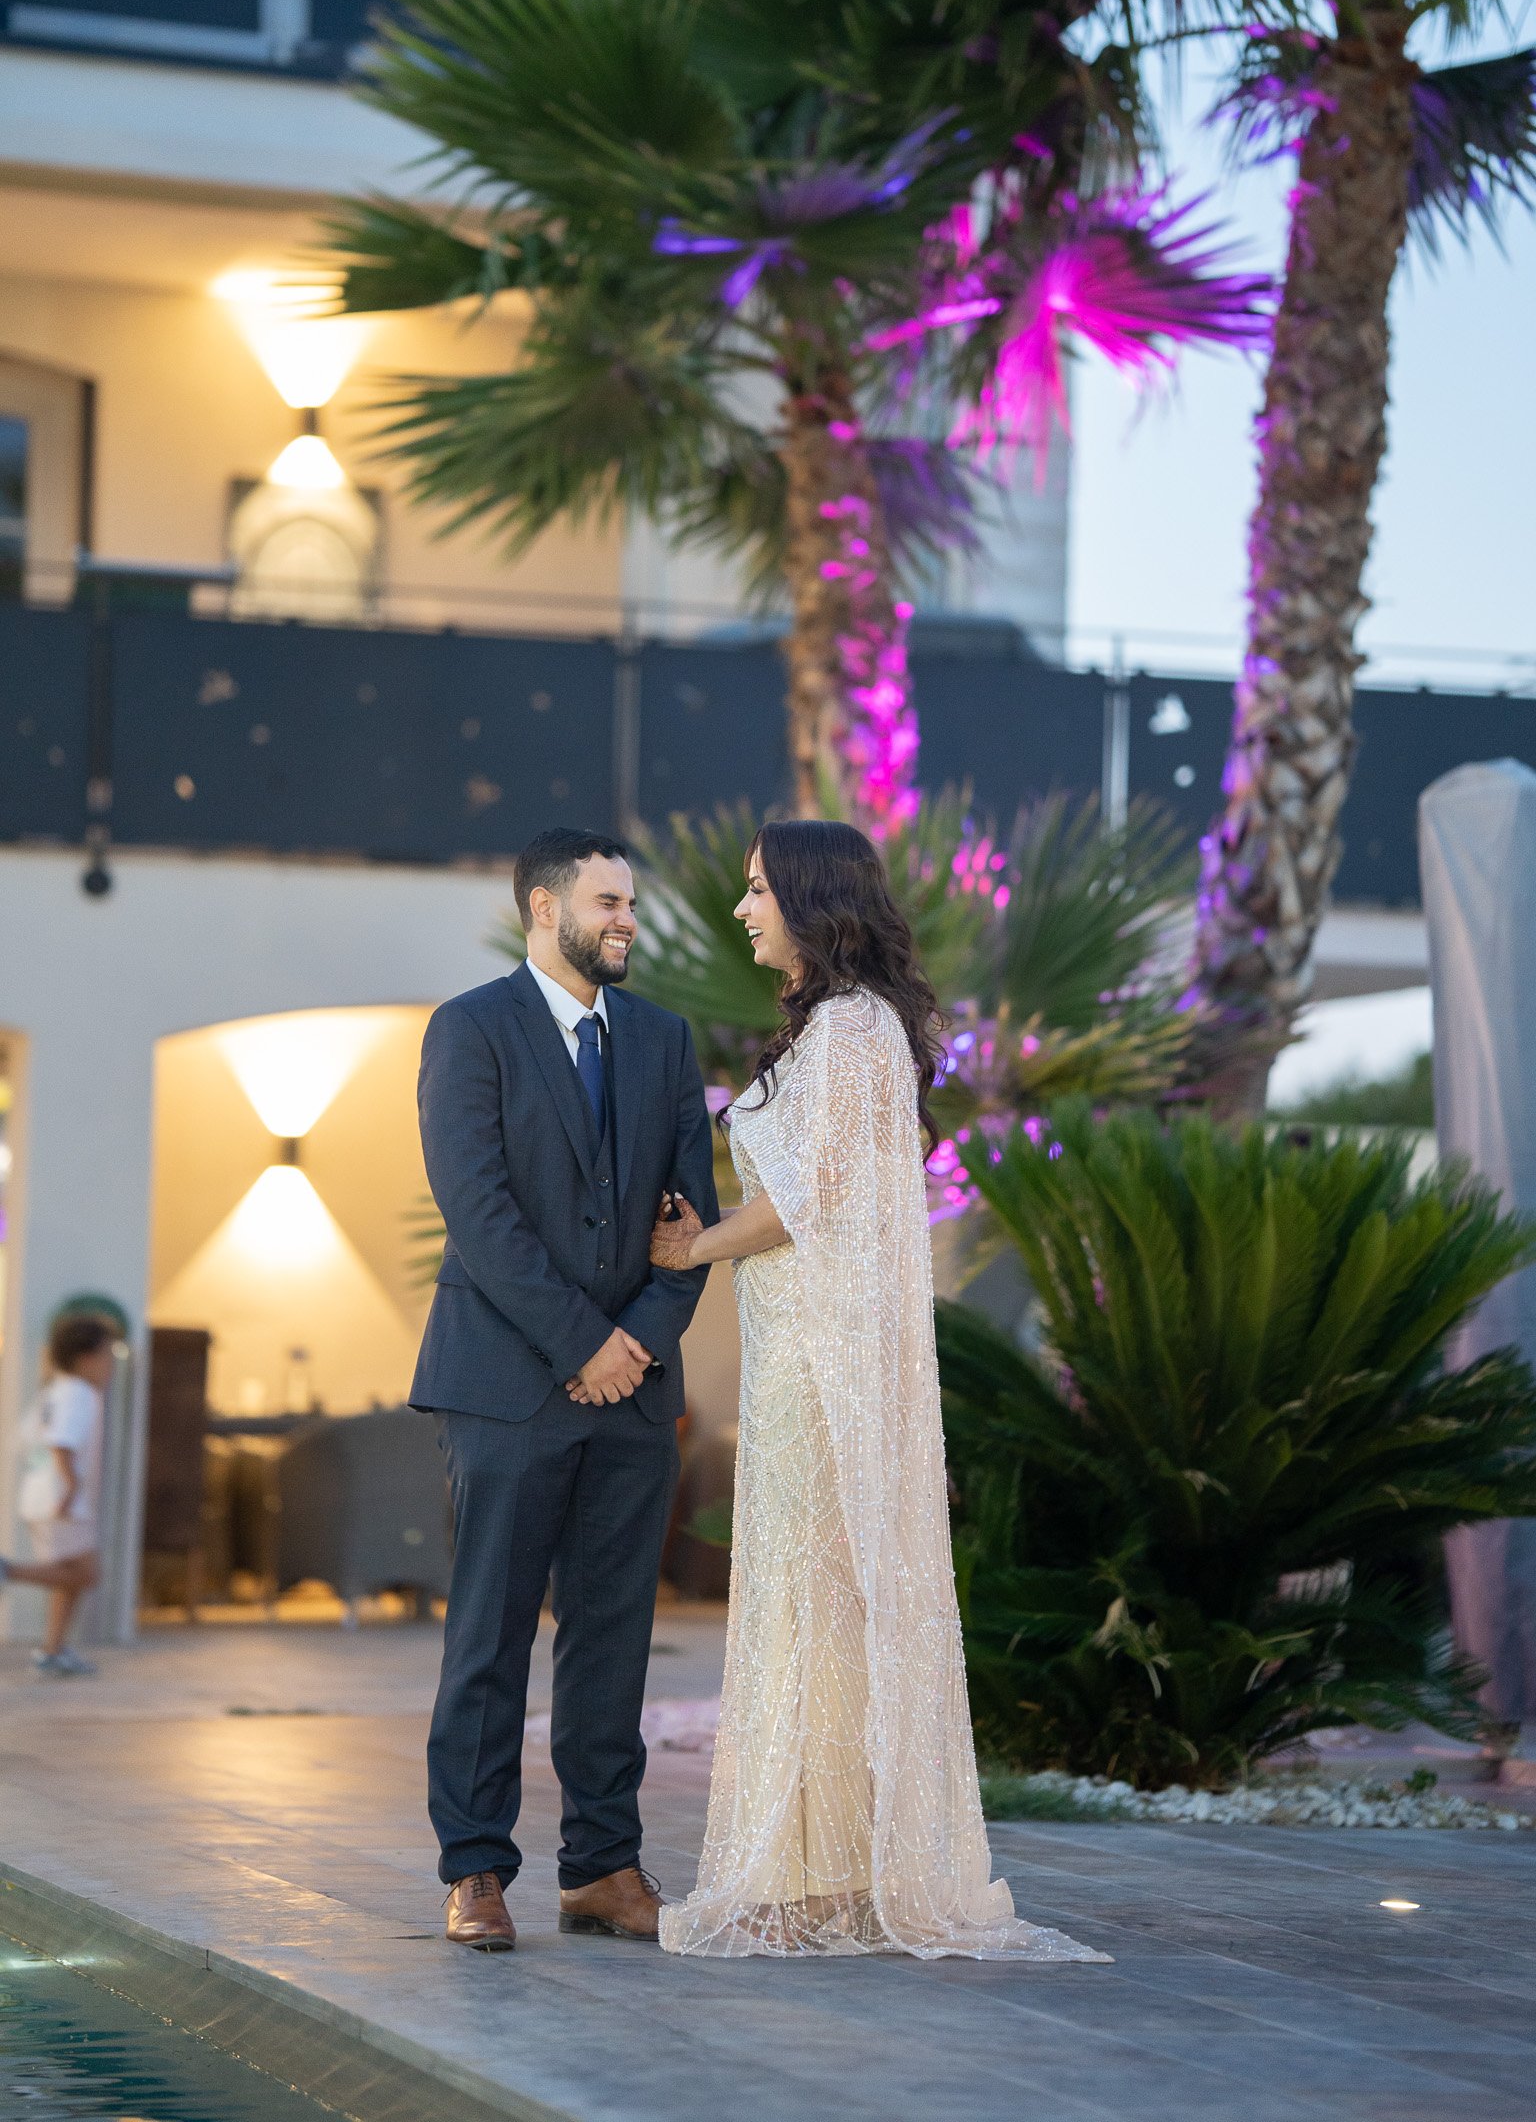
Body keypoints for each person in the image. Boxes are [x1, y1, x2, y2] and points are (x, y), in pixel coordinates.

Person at [644, 820, 1108, 1962]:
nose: (743, 910)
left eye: (759, 890)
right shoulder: (838, 1027)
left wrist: (696, 1246)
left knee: (822, 1611)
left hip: (827, 1366)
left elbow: (809, 1198)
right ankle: (822, 1872)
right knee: (811, 1613)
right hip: (801, 1354)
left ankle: (833, 1876)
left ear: (811, 899)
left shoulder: (853, 1028)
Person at [413, 827, 718, 1952]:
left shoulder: (663, 1040)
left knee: (613, 1636)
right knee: (489, 1633)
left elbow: (688, 1223)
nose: (628, 920)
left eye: (630, 903)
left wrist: (634, 1342)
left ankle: (602, 1867)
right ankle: (474, 1869)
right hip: (504, 1384)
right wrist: (581, 1344)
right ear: (544, 910)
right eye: (607, 902)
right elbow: (478, 1212)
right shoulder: (470, 1029)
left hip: (632, 1392)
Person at [0, 1299, 125, 1676]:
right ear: (85, 1358)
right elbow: (61, 1442)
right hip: (62, 1501)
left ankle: (53, 1650)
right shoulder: (79, 1394)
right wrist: (71, 1487)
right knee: (86, 1575)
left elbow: (26, 1439)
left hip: (41, 1496)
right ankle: (8, 1571)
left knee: (67, 1576)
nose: (111, 1365)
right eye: (106, 1355)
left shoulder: (56, 1389)